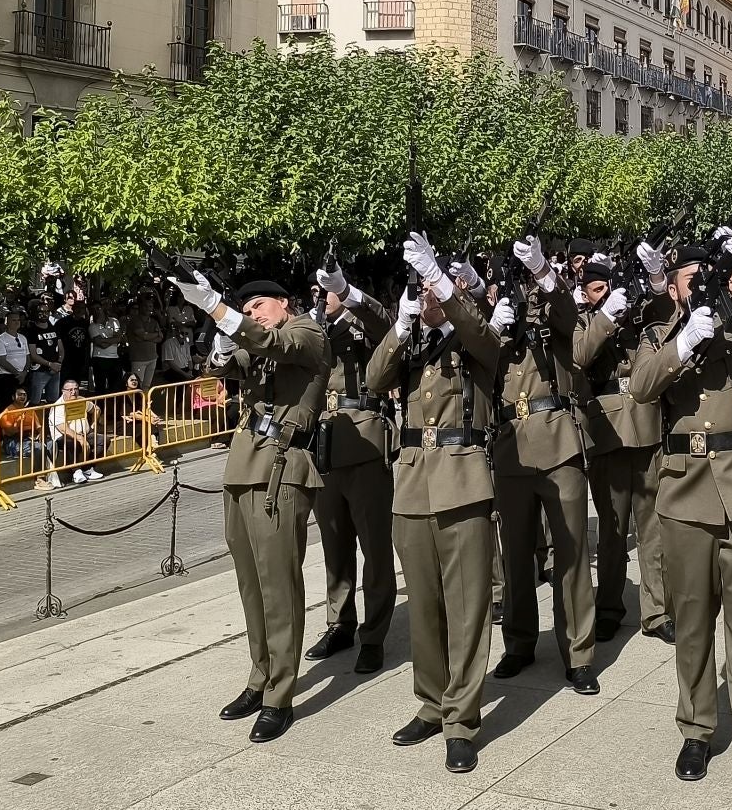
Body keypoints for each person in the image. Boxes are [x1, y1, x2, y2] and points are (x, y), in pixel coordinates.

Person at [630, 233, 732, 805]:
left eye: (711, 272)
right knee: (694, 624)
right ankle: (697, 730)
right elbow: (641, 388)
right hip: (683, 491)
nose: (700, 281)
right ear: (672, 284)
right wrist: (683, 343)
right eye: (689, 274)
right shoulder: (660, 334)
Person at [172, 270, 331, 743]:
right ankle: (259, 677)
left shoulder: (308, 332)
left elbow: (272, 345)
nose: (252, 314)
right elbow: (228, 362)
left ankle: (280, 694)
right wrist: (219, 344)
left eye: (258, 305)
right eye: (246, 309)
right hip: (243, 465)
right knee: (250, 586)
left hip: (282, 466)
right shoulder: (258, 336)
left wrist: (218, 308)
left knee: (278, 585)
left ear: (283, 303)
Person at [365, 234, 503, 774]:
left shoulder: (478, 344)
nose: (427, 297)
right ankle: (430, 701)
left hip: (464, 481)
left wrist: (444, 287)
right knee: (423, 605)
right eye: (422, 290)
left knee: (466, 607)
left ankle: (461, 719)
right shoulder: (414, 346)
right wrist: (402, 323)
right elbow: (376, 379)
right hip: (413, 485)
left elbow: (475, 331)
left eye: (435, 291)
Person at [488, 234, 598, 694]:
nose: (500, 292)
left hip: (555, 440)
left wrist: (540, 273)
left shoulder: (547, 311)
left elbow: (569, 315)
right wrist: (494, 326)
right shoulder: (487, 323)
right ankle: (518, 643)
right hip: (509, 446)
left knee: (569, 552)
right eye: (494, 286)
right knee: (514, 554)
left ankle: (578, 653)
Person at [575, 248, 675, 645]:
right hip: (609, 432)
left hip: (646, 427)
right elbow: (579, 355)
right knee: (613, 530)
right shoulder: (585, 320)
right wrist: (605, 317)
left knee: (652, 527)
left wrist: (652, 281)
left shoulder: (637, 318)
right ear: (586, 293)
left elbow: (666, 313)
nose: (604, 293)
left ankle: (657, 610)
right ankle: (610, 607)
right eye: (596, 289)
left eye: (608, 287)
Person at [304, 260, 397, 676]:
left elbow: (386, 325)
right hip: (322, 448)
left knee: (374, 548)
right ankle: (339, 621)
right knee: (333, 544)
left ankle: (374, 635)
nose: (321, 298)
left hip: (363, 445)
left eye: (328, 290)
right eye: (317, 291)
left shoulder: (362, 328)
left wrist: (349, 293)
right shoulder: (312, 332)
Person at [42, 379, 103, 487]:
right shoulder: (58, 406)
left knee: (102, 440)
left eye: (75, 389)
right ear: (63, 391)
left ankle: (88, 468)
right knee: (72, 443)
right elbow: (63, 429)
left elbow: (96, 409)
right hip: (63, 436)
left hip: (84, 433)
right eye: (70, 390)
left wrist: (94, 423)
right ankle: (76, 471)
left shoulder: (81, 400)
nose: (73, 392)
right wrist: (80, 439)